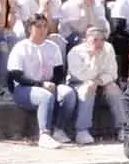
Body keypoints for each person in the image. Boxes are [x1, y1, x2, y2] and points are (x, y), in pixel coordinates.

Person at [6, 14, 77, 147]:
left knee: (68, 94)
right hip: (23, 88)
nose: (42, 29)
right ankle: (44, 134)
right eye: (38, 26)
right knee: (45, 96)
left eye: (45, 26)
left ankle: (59, 129)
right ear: (29, 28)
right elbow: (16, 76)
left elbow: (58, 73)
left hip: (48, 85)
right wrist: (40, 84)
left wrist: (52, 84)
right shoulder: (20, 47)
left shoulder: (53, 47)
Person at [67, 23, 126, 145]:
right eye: (95, 40)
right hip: (78, 84)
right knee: (89, 87)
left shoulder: (108, 48)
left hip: (101, 82)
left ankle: (123, 127)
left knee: (113, 88)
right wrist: (92, 58)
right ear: (86, 40)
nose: (99, 43)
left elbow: (113, 73)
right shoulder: (75, 52)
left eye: (101, 40)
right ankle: (82, 130)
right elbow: (81, 76)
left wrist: (99, 81)